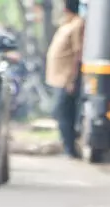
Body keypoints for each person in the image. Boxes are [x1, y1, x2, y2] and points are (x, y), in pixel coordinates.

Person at [45, 0, 85, 159]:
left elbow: (78, 53)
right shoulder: (67, 24)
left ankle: (70, 149)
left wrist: (73, 80)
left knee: (63, 113)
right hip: (58, 78)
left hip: (66, 78)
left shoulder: (78, 24)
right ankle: (68, 146)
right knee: (61, 113)